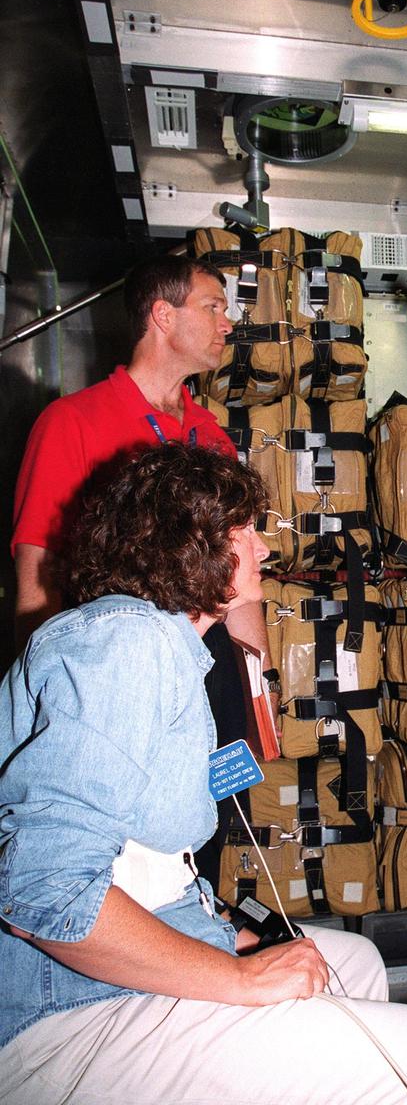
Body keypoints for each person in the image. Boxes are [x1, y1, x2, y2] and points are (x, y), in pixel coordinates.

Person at [0, 443, 407, 1105]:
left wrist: (226, 935)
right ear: (189, 546)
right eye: (246, 532)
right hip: (55, 1021)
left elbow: (137, 863)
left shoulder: (165, 647)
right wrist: (238, 979)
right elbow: (43, 891)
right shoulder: (125, 645)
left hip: (96, 983)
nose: (263, 550)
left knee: (351, 962)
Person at [11, 252, 269, 884]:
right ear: (162, 313)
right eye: (213, 306)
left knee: (203, 834)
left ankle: (202, 946)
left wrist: (257, 692)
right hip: (115, 685)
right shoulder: (71, 422)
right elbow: (34, 571)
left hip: (209, 677)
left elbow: (240, 585)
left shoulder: (212, 438)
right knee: (119, 853)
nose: (227, 322)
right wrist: (41, 701)